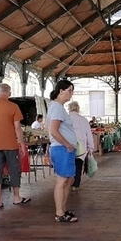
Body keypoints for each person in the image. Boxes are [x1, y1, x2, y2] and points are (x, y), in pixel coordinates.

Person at [0, 83, 30, 208]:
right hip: (10, 144)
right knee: (14, 169)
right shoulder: (13, 106)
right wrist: (21, 144)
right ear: (9, 94)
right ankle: (16, 197)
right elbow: (17, 128)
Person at [48, 79, 78, 223]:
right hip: (62, 149)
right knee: (62, 180)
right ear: (60, 91)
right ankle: (59, 213)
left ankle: (63, 209)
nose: (71, 94)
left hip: (65, 149)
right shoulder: (57, 107)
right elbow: (54, 131)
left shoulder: (58, 107)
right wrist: (67, 144)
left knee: (69, 179)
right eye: (69, 91)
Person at [67, 101, 93, 191]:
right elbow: (88, 134)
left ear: (69, 109)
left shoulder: (66, 119)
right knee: (78, 165)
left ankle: (68, 183)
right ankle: (75, 184)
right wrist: (91, 147)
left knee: (69, 165)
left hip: (68, 145)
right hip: (81, 147)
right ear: (78, 109)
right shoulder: (84, 120)